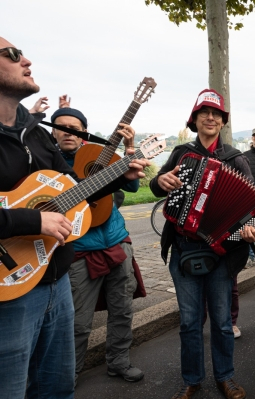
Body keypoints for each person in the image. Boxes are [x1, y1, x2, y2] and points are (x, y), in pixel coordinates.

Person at [0, 38, 148, 399]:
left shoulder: (35, 133)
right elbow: (39, 217)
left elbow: (69, 196)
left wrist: (114, 178)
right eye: (13, 54)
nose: (28, 60)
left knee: (58, 387)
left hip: (56, 279)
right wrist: (32, 223)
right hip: (8, 290)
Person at [150, 89, 255, 399]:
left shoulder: (235, 158)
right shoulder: (181, 153)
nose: (210, 118)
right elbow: (157, 185)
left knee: (223, 322)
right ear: (195, 119)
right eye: (204, 113)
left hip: (221, 253)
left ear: (222, 121)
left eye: (216, 114)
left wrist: (251, 228)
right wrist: (162, 182)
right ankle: (192, 380)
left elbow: (254, 206)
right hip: (184, 248)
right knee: (189, 322)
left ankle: (225, 377)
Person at [50, 106, 146, 384]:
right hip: (79, 249)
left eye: (76, 128)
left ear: (84, 133)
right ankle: (70, 372)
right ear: (53, 131)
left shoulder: (97, 155)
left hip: (116, 241)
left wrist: (130, 149)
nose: (69, 132)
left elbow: (133, 188)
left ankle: (119, 362)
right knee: (78, 321)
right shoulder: (48, 162)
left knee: (122, 310)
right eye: (62, 127)